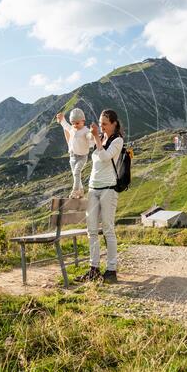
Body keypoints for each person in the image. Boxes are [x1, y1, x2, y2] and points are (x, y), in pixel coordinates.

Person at [80, 109, 124, 283]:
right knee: (91, 229)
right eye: (100, 123)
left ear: (113, 124)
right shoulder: (101, 138)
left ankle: (111, 270)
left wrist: (97, 137)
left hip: (108, 189)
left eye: (105, 124)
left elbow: (105, 157)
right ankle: (94, 268)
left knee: (107, 228)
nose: (102, 126)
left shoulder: (117, 140)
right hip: (93, 188)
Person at [55, 108, 94, 198]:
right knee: (75, 175)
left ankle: (75, 191)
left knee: (76, 172)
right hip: (72, 156)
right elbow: (65, 125)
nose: (75, 125)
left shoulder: (85, 131)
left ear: (83, 121)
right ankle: (80, 191)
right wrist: (61, 119)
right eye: (73, 123)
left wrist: (92, 134)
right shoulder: (72, 129)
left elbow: (89, 136)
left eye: (77, 123)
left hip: (82, 156)